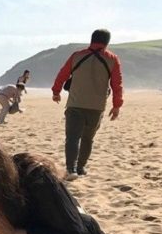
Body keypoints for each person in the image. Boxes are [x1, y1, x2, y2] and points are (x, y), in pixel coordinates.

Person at [52, 29, 123, 181]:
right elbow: (117, 84)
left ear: (91, 39)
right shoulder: (112, 59)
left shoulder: (77, 56)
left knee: (72, 138)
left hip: (75, 104)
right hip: (96, 107)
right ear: (107, 42)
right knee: (87, 138)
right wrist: (116, 105)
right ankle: (81, 167)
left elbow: (62, 74)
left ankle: (71, 169)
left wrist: (56, 92)